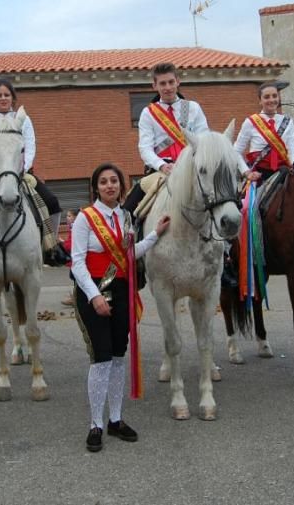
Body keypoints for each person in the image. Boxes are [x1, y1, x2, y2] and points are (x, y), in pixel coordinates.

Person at [71, 163, 169, 452]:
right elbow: (77, 262)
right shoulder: (85, 219)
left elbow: (129, 254)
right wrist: (94, 297)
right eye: (103, 182)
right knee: (100, 358)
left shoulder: (126, 217)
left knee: (117, 356)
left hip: (122, 291)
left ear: (121, 187)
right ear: (96, 188)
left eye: (114, 181)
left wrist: (154, 235)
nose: (110, 186)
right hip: (94, 293)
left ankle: (115, 419)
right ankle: (95, 424)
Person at [0, 76, 62, 246]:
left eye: (7, 94)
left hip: (20, 173)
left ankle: (53, 245)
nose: (3, 98)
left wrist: (20, 169)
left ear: (13, 97)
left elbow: (30, 147)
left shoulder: (23, 120)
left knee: (52, 202)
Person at [122, 62, 210, 214]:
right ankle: (131, 232)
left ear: (178, 82)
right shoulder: (148, 113)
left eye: (171, 82)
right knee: (130, 206)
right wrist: (162, 165)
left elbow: (204, 139)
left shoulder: (192, 108)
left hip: (192, 166)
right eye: (162, 83)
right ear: (154, 86)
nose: (168, 87)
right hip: (162, 170)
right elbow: (145, 148)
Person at [232, 81, 294, 185]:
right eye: (267, 97)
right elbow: (236, 151)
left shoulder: (287, 122)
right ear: (260, 101)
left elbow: (293, 149)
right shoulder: (250, 122)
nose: (272, 100)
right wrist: (247, 172)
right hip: (258, 176)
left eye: (274, 96)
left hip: (283, 173)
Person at [60, 209, 79, 307]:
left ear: (75, 217)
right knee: (75, 278)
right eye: (67, 216)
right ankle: (75, 297)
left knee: (77, 278)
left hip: (76, 259)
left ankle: (76, 299)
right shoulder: (72, 227)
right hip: (74, 258)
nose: (67, 218)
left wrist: (63, 243)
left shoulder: (75, 227)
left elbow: (72, 244)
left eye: (69, 216)